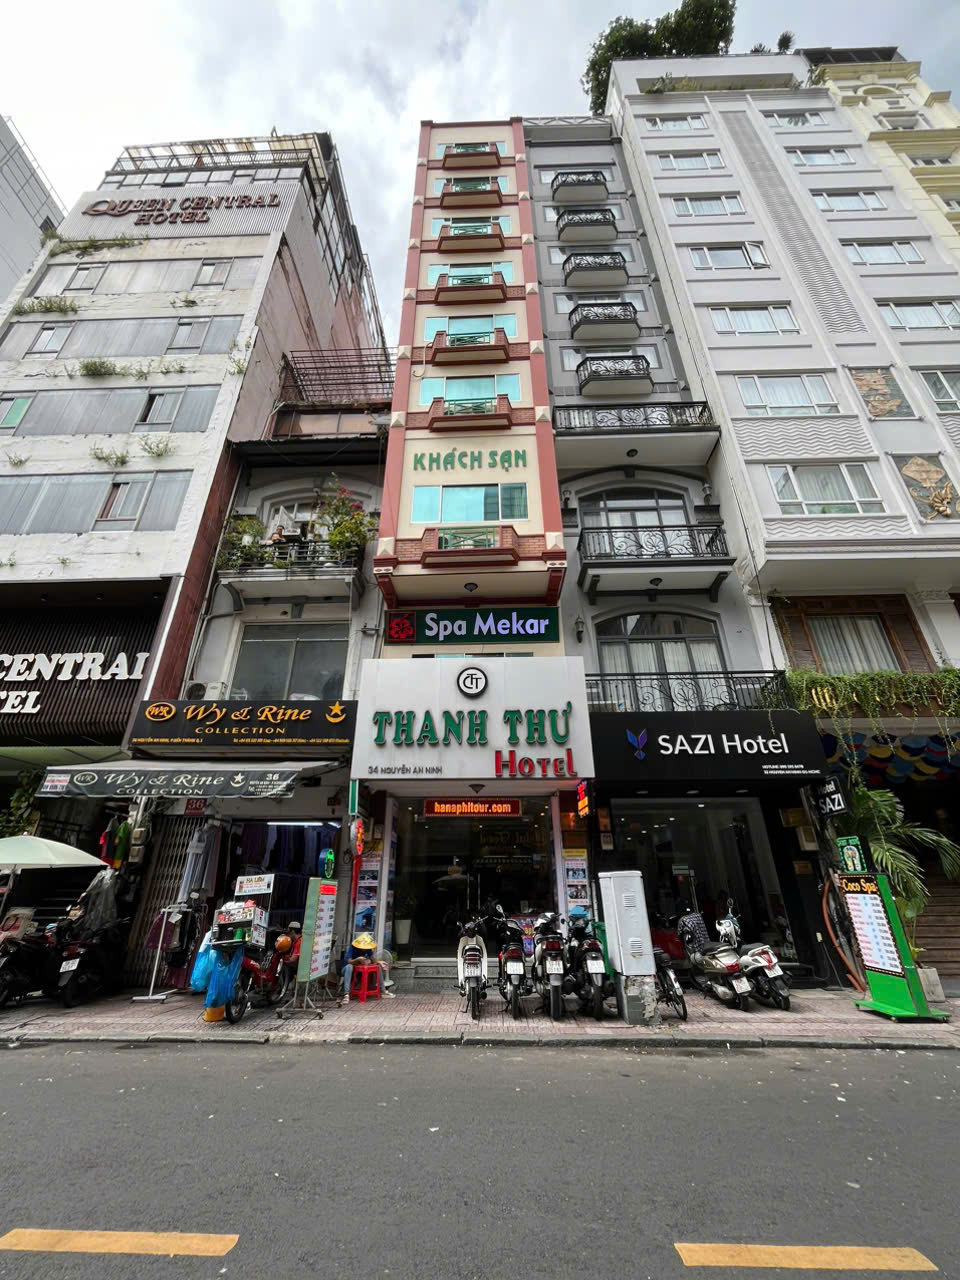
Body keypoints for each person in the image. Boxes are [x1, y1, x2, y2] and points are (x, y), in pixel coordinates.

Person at [341, 932, 395, 1002]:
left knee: (378, 966)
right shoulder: (353, 947)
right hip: (347, 970)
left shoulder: (368, 949)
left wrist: (379, 962)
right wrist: (357, 959)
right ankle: (346, 994)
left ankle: (383, 991)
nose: (365, 950)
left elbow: (373, 959)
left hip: (360, 970)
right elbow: (349, 961)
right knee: (349, 966)